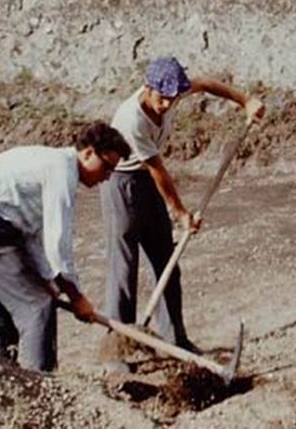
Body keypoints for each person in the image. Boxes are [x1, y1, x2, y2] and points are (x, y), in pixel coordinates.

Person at [100, 56, 265, 363]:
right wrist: (180, 213)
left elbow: (205, 84)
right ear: (148, 88)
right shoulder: (131, 119)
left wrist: (245, 100)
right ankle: (117, 355)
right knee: (123, 270)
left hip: (148, 183)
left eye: (173, 98)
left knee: (167, 260)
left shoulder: (173, 91)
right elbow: (157, 169)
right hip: (121, 185)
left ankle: (175, 341)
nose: (167, 105)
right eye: (162, 99)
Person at [0, 122, 131, 372]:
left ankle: (1, 388)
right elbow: (58, 244)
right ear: (88, 152)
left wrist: (49, 279)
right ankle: (43, 393)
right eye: (107, 166)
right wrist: (76, 297)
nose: (108, 176)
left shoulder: (49, 164)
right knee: (37, 306)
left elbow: (32, 236)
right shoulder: (62, 170)